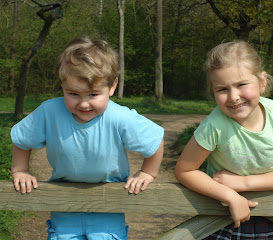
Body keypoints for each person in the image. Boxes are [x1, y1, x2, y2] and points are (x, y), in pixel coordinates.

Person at [11, 37, 164, 240]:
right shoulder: (50, 111)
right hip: (64, 203)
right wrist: (20, 170)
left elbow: (155, 139)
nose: (83, 104)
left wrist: (148, 172)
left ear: (112, 86)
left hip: (109, 204)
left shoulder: (119, 116)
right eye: (73, 93)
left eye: (93, 95)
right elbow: (22, 139)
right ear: (62, 85)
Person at [175, 40, 273, 239]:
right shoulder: (215, 125)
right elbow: (184, 170)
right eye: (222, 89)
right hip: (222, 220)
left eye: (241, 85)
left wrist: (242, 183)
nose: (233, 97)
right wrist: (229, 195)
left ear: (262, 82)